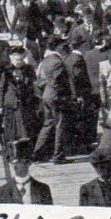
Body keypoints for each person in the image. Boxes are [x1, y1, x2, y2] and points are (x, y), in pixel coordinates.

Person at [32, 35, 73, 164]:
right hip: (57, 96)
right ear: (58, 46)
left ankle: (37, 153)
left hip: (47, 94)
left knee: (48, 124)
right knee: (60, 125)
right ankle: (58, 155)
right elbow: (59, 82)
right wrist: (67, 96)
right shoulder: (58, 61)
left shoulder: (46, 60)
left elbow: (42, 80)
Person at [0, 139, 53, 205]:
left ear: (29, 163)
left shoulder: (43, 190)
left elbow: (48, 213)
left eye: (20, 162)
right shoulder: (1, 193)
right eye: (12, 162)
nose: (15, 166)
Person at [79, 137, 111, 207]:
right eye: (102, 168)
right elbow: (83, 213)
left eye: (109, 168)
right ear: (96, 169)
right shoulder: (87, 188)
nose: (106, 171)